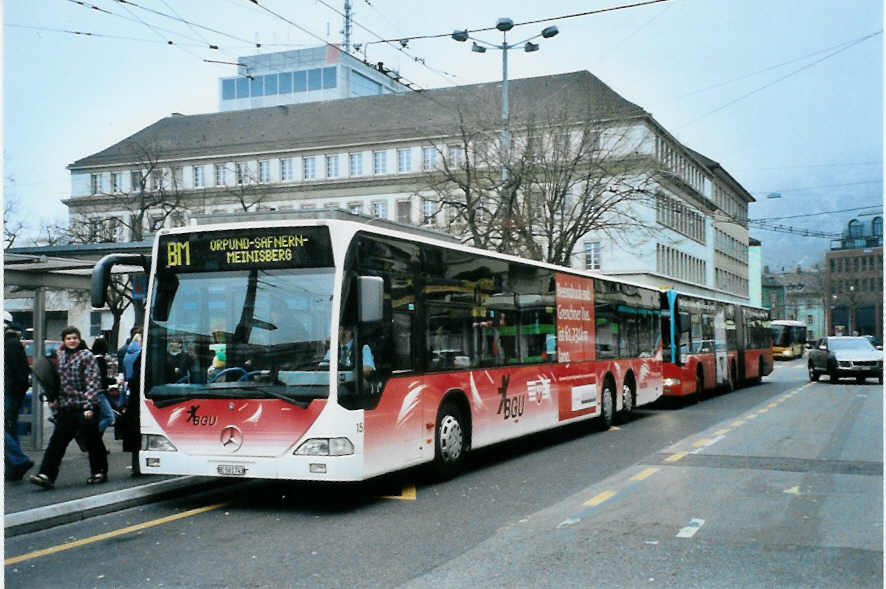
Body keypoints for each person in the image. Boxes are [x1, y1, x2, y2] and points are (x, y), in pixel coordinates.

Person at [30, 326, 108, 488]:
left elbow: (93, 381)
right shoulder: (60, 356)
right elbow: (54, 381)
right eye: (68, 338)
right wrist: (52, 398)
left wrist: (89, 406)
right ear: (64, 341)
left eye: (74, 338)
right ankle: (46, 475)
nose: (72, 341)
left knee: (93, 442)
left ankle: (99, 472)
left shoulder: (86, 356)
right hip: (67, 407)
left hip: (85, 406)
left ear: (79, 339)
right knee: (57, 442)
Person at [4, 313, 31, 441]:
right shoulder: (15, 344)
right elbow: (19, 368)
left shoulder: (6, 343)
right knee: (10, 422)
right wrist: (24, 384)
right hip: (13, 389)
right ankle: (15, 450)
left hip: (9, 387)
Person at [91, 338, 116, 438]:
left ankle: (96, 439)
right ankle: (93, 435)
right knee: (110, 417)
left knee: (101, 417)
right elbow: (103, 378)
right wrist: (115, 381)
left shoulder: (92, 359)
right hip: (100, 392)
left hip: (93, 392)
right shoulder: (101, 361)